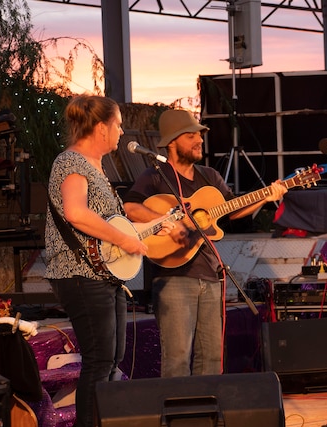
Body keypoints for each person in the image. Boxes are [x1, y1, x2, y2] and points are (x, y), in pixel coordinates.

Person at [44, 95, 173, 427]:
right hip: (80, 275)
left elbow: (114, 227)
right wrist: (124, 239)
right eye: (117, 125)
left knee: (110, 358)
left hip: (102, 274)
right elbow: (75, 213)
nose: (120, 131)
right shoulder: (71, 162)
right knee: (100, 359)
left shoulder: (96, 168)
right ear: (100, 128)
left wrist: (149, 230)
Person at [123, 109, 287, 378]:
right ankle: (176, 417)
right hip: (173, 277)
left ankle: (206, 414)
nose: (199, 140)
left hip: (211, 275)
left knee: (211, 357)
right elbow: (130, 207)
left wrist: (267, 196)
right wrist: (165, 221)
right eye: (191, 136)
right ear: (172, 142)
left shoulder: (210, 177)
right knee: (177, 359)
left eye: (199, 135)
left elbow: (233, 211)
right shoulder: (154, 175)